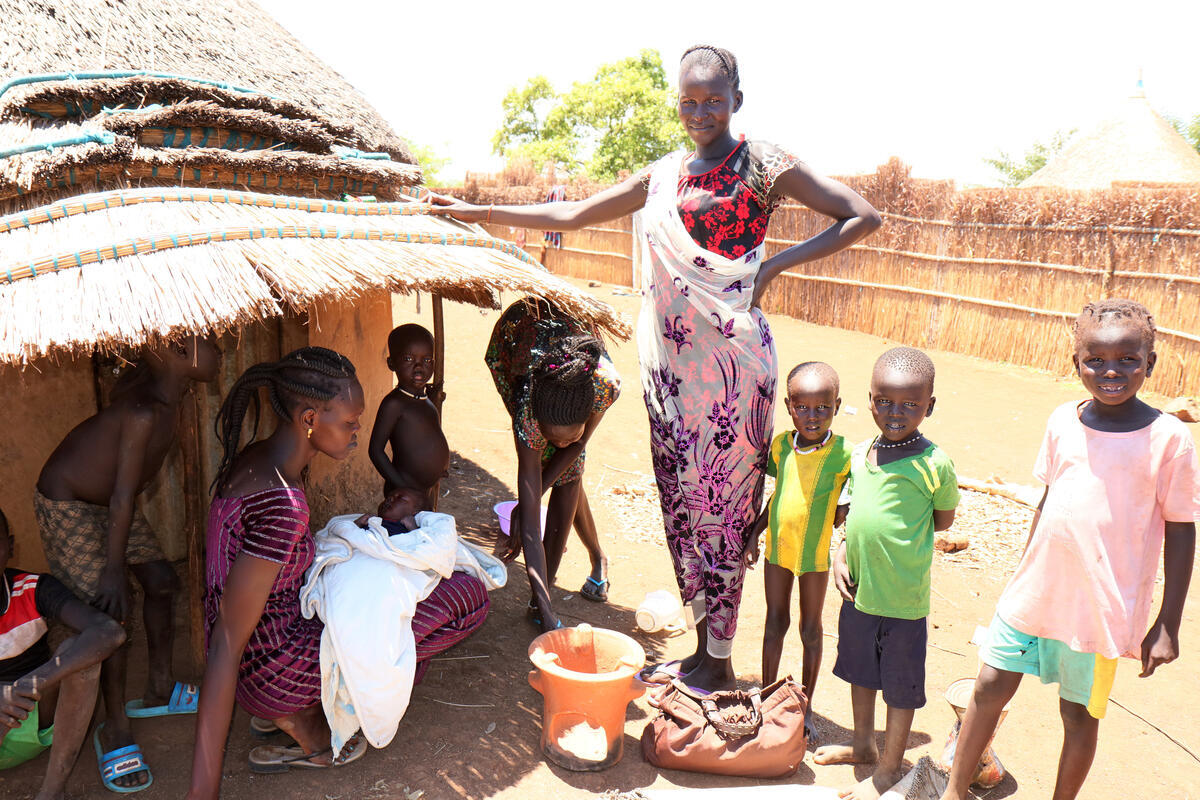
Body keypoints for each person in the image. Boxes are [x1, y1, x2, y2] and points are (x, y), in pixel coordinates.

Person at [431, 44, 881, 688]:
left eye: (713, 101)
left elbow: (862, 216)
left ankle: (721, 663)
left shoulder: (764, 164)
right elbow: (573, 214)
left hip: (732, 371)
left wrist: (771, 267)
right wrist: (481, 214)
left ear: (737, 101)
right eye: (689, 101)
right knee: (680, 504)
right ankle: (703, 651)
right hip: (670, 373)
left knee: (724, 509)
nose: (700, 113)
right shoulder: (663, 175)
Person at [938, 300, 1198, 800]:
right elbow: (1048, 498)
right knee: (988, 687)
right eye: (1095, 359)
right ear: (1074, 361)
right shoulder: (1062, 420)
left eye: (1128, 359)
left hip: (1101, 609)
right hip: (1035, 593)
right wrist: (1020, 571)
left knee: (1078, 714)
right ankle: (953, 792)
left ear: (1152, 362)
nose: (1111, 371)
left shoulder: (1169, 439)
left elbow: (1182, 527)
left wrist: (1168, 622)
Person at [34, 334, 220, 791]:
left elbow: (123, 494)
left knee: (160, 581)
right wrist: (112, 569)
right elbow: (121, 495)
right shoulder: (142, 412)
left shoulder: (169, 401)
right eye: (210, 344)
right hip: (69, 501)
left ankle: (158, 687)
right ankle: (114, 725)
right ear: (179, 353)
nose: (219, 353)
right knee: (108, 609)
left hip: (114, 504)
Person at [188, 347, 369, 798]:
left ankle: (288, 711)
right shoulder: (283, 504)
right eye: (349, 421)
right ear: (309, 417)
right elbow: (227, 645)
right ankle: (293, 712)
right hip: (268, 668)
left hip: (263, 654)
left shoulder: (260, 459)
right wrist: (202, 792)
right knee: (450, 603)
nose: (357, 430)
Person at [814, 347, 959, 800]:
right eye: (886, 401)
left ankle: (890, 767)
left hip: (902, 600)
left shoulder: (934, 464)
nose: (896, 413)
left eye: (911, 405)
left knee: (899, 687)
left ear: (929, 407)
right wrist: (841, 554)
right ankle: (862, 744)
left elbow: (942, 521)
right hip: (858, 591)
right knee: (861, 672)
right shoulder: (861, 454)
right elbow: (853, 514)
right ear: (871, 400)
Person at [484, 299, 620, 629]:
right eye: (551, 437)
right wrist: (527, 503)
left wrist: (530, 498)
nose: (560, 444)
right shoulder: (527, 409)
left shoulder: (603, 386)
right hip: (514, 343)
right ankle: (546, 597)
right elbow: (530, 526)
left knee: (570, 471)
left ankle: (590, 562)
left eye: (567, 438)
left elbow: (579, 444)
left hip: (573, 356)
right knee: (555, 467)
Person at [742, 361, 851, 743]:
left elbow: (850, 503)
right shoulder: (780, 447)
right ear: (789, 407)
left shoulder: (844, 455)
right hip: (778, 552)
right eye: (802, 407)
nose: (812, 416)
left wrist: (845, 504)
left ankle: (805, 706)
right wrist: (754, 534)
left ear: (837, 406)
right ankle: (768, 697)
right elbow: (779, 495)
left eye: (823, 408)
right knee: (775, 622)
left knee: (810, 628)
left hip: (816, 558)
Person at [0, 506, 126, 800]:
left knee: (79, 654)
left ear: (11, 545)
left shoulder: (32, 589)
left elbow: (110, 632)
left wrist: (26, 686)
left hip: (31, 719)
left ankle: (53, 793)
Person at [369, 324, 450, 508]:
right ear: (392, 363)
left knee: (421, 534)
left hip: (425, 490)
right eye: (409, 359)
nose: (419, 367)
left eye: (428, 360)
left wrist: (439, 468)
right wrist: (401, 485)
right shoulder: (394, 404)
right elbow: (375, 450)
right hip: (403, 494)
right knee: (402, 534)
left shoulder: (425, 401)